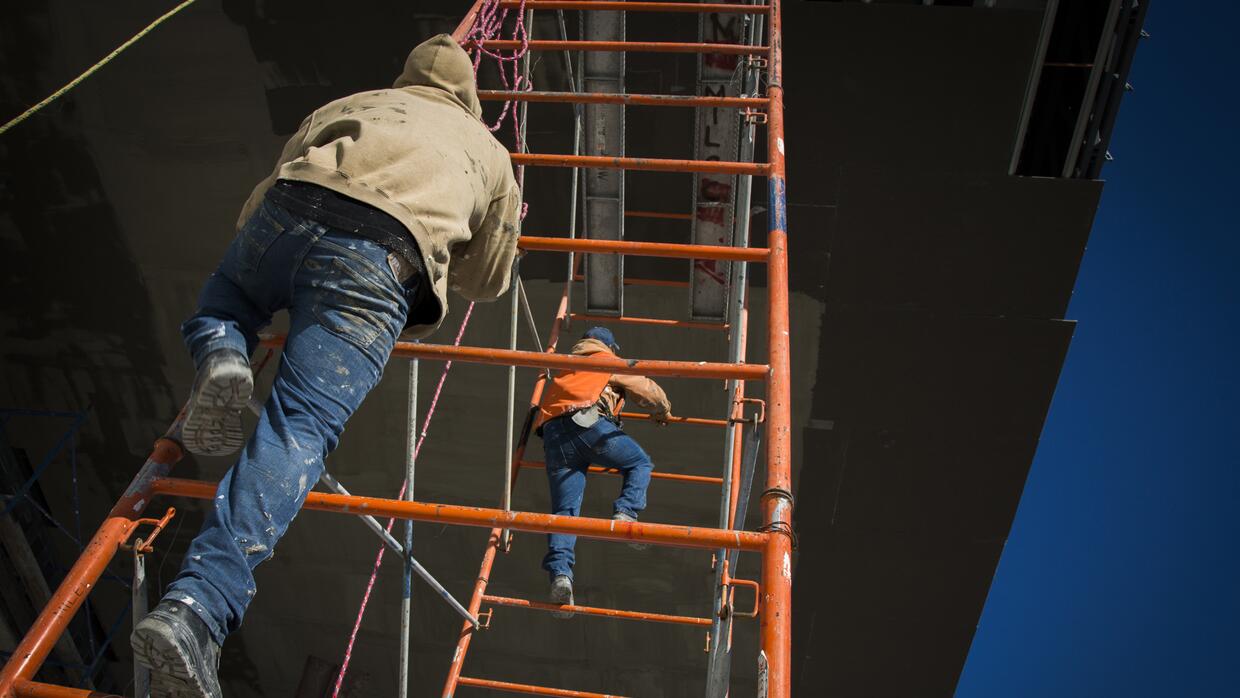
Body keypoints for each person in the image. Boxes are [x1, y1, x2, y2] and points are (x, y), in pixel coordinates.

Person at [130, 34, 521, 697]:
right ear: (470, 99)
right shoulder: (490, 153)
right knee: (297, 431)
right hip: (381, 258)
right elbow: (486, 280)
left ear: (405, 77)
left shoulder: (354, 102)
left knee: (227, 300)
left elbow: (265, 191)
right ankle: (195, 609)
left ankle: (223, 351)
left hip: (290, 208)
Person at [536, 327, 673, 617]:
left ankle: (561, 576)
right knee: (639, 463)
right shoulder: (604, 359)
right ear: (609, 347)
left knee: (564, 512)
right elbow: (645, 388)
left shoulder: (565, 366)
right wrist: (663, 411)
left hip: (554, 436)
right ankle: (626, 513)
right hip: (586, 423)